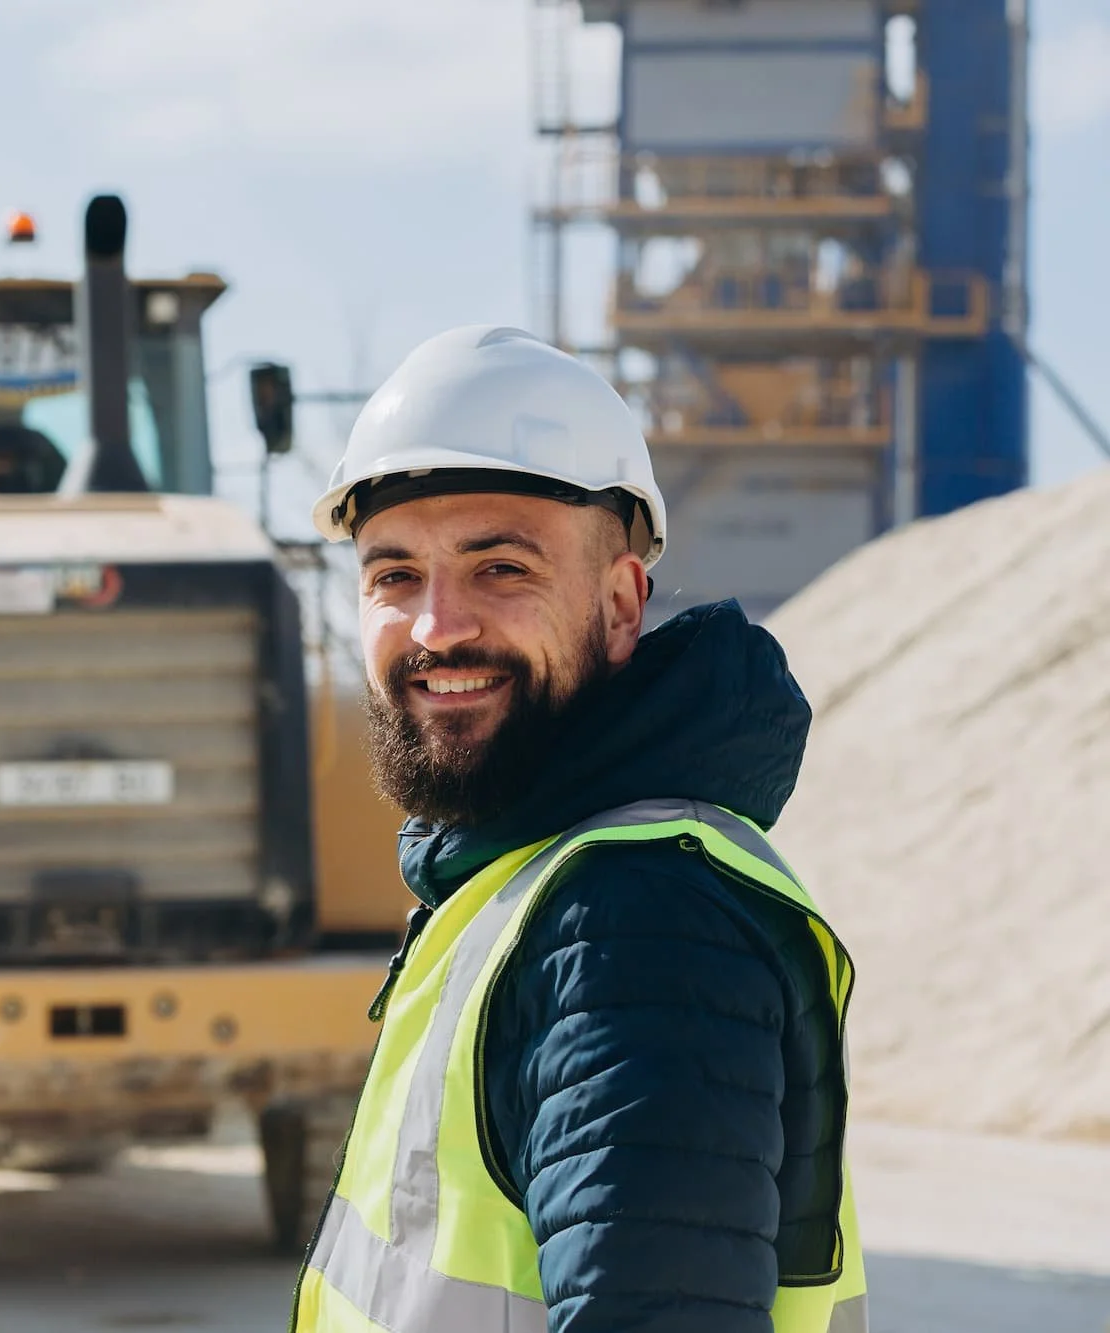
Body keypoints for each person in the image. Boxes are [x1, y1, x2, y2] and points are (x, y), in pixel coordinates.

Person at [290, 326, 867, 1333]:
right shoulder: (524, 884)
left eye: (499, 567)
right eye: (393, 576)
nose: (437, 627)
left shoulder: (632, 925)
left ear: (618, 605)